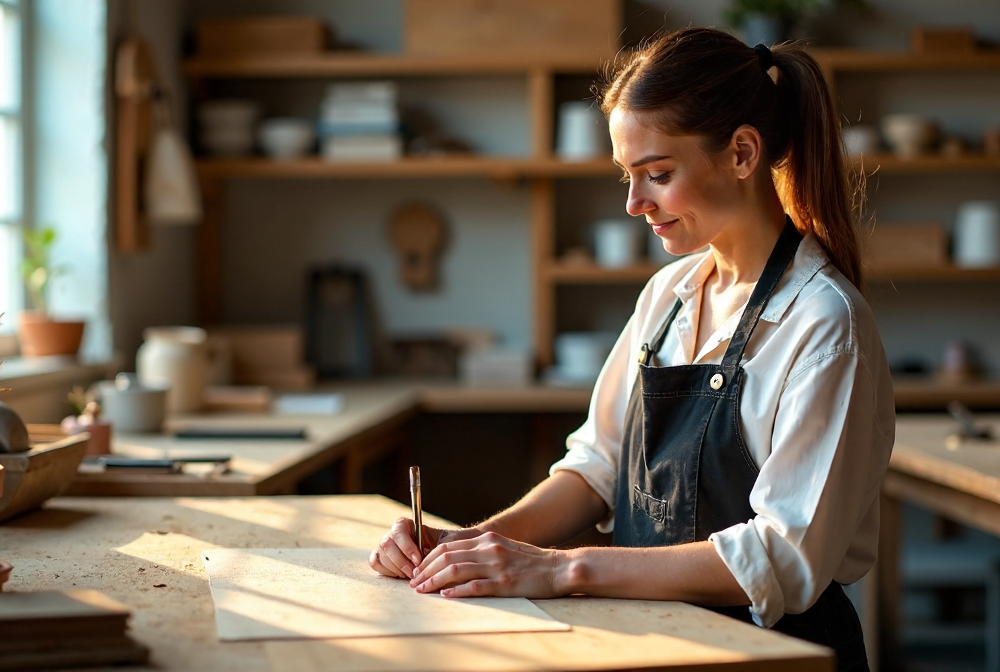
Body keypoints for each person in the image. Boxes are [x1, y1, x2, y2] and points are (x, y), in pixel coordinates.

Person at [368, 28, 894, 671]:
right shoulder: (668, 295)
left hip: (775, 657)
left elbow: (782, 557)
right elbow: (596, 471)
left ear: (743, 153)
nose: (633, 202)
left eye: (659, 174)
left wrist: (563, 570)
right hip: (653, 643)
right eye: (628, 175)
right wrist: (469, 544)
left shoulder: (823, 323)